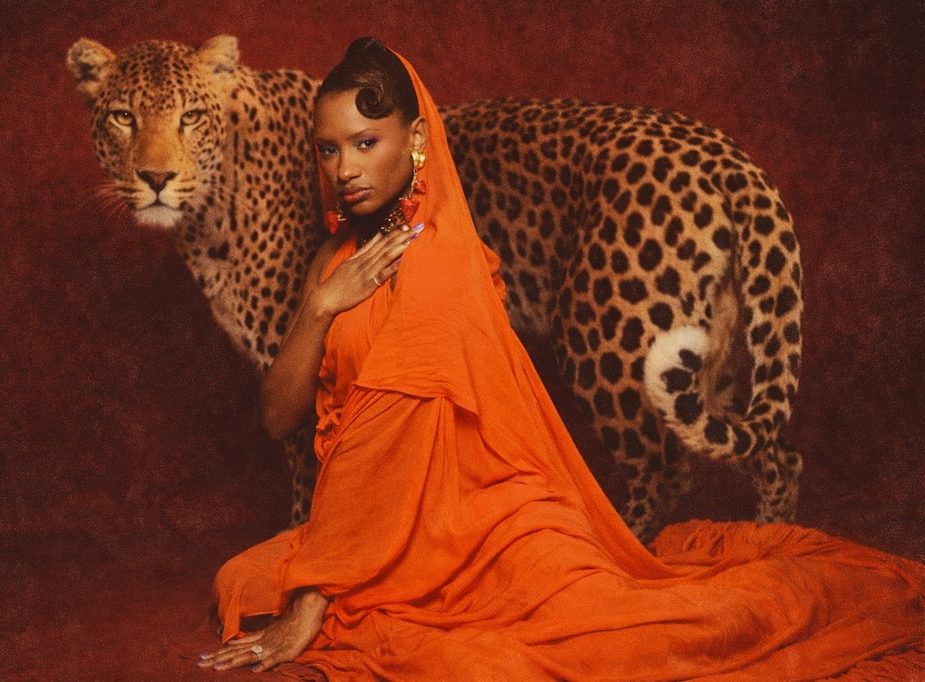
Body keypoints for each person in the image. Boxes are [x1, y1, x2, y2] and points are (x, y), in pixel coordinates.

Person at [199, 38, 925, 679]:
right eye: (328, 148)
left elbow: (384, 433)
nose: (344, 169)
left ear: (416, 141)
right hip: (382, 527)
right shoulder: (335, 257)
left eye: (366, 142)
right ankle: (360, 576)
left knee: (534, 652)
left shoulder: (436, 258)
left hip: (486, 526)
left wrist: (316, 595)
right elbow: (278, 416)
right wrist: (324, 304)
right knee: (241, 580)